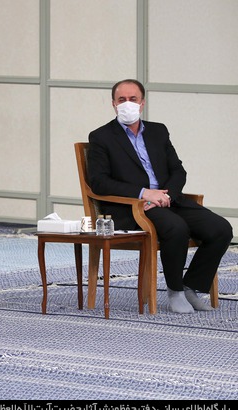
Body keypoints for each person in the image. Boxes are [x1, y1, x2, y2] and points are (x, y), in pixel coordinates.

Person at [87, 79, 233, 314]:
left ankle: (191, 286)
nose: (127, 104)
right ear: (113, 103)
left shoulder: (158, 131)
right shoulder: (101, 137)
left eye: (133, 99)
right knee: (176, 228)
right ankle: (175, 291)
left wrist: (167, 196)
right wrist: (145, 193)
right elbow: (99, 182)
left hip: (168, 200)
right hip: (135, 207)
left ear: (142, 103)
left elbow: (178, 170)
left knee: (221, 229)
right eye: (121, 99)